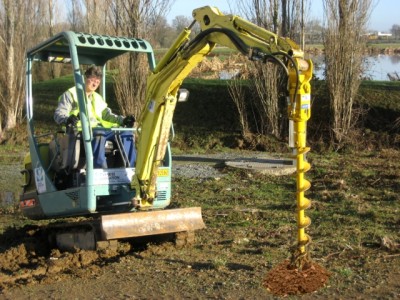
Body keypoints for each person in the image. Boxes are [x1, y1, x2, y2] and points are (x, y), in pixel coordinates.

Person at [54, 65, 136, 168]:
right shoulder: (71, 94)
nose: (95, 84)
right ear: (85, 78)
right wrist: (68, 119)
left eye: (97, 82)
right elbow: (59, 114)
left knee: (126, 133)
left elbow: (107, 115)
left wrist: (123, 120)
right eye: (93, 80)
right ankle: (100, 170)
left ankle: (130, 169)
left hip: (100, 129)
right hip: (80, 131)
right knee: (99, 133)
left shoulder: (97, 98)